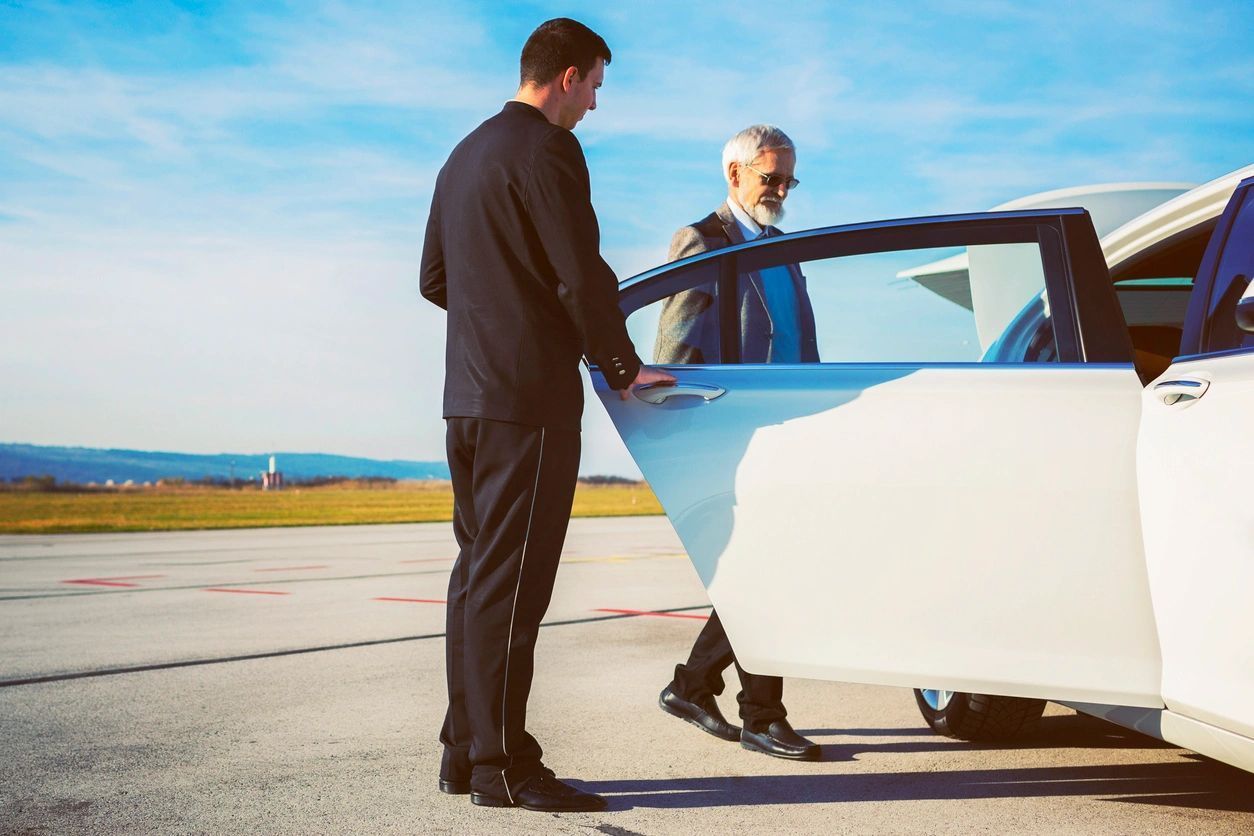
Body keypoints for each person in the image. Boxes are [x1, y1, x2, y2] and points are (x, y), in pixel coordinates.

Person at [419, 18, 675, 813]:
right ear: (565, 76)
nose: (595, 105)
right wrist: (623, 366)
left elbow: (435, 278)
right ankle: (503, 763)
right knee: (514, 584)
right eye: (596, 84)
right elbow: (579, 274)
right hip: (526, 402)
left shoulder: (464, 156)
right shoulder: (547, 150)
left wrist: (497, 309)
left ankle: (465, 748)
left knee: (477, 577)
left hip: (467, 399)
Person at [655, 124, 821, 760]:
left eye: (787, 180)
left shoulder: (785, 247)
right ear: (734, 175)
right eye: (768, 178)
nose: (779, 190)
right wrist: (679, 435)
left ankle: (694, 687)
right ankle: (759, 713)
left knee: (766, 567)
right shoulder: (702, 241)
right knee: (762, 568)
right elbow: (673, 345)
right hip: (729, 434)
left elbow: (800, 340)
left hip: (786, 430)